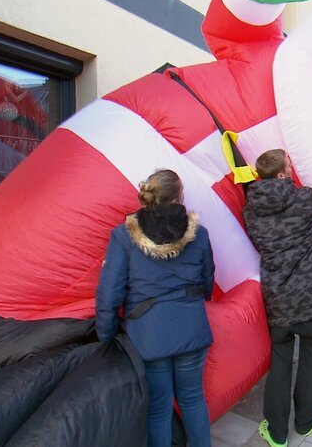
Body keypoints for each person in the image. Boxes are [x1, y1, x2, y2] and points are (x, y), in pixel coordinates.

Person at [96, 169, 215, 447]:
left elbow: (109, 293)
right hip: (191, 328)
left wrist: (106, 336)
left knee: (158, 409)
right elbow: (208, 277)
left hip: (148, 335)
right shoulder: (199, 233)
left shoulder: (123, 236)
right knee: (193, 399)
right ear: (178, 196)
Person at [243, 149, 312, 447]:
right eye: (289, 164)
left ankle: (276, 433)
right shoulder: (304, 199)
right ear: (282, 174)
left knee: (280, 362)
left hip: (279, 299)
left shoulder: (250, 208)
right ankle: (306, 421)